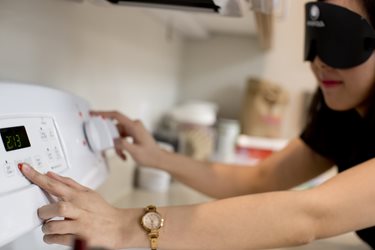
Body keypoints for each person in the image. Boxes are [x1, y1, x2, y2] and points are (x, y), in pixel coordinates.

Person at [18, 0, 375, 249]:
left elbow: (309, 216)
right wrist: (159, 157)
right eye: (319, 39)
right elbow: (261, 180)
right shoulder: (343, 114)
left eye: (340, 43)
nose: (320, 63)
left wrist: (123, 226)